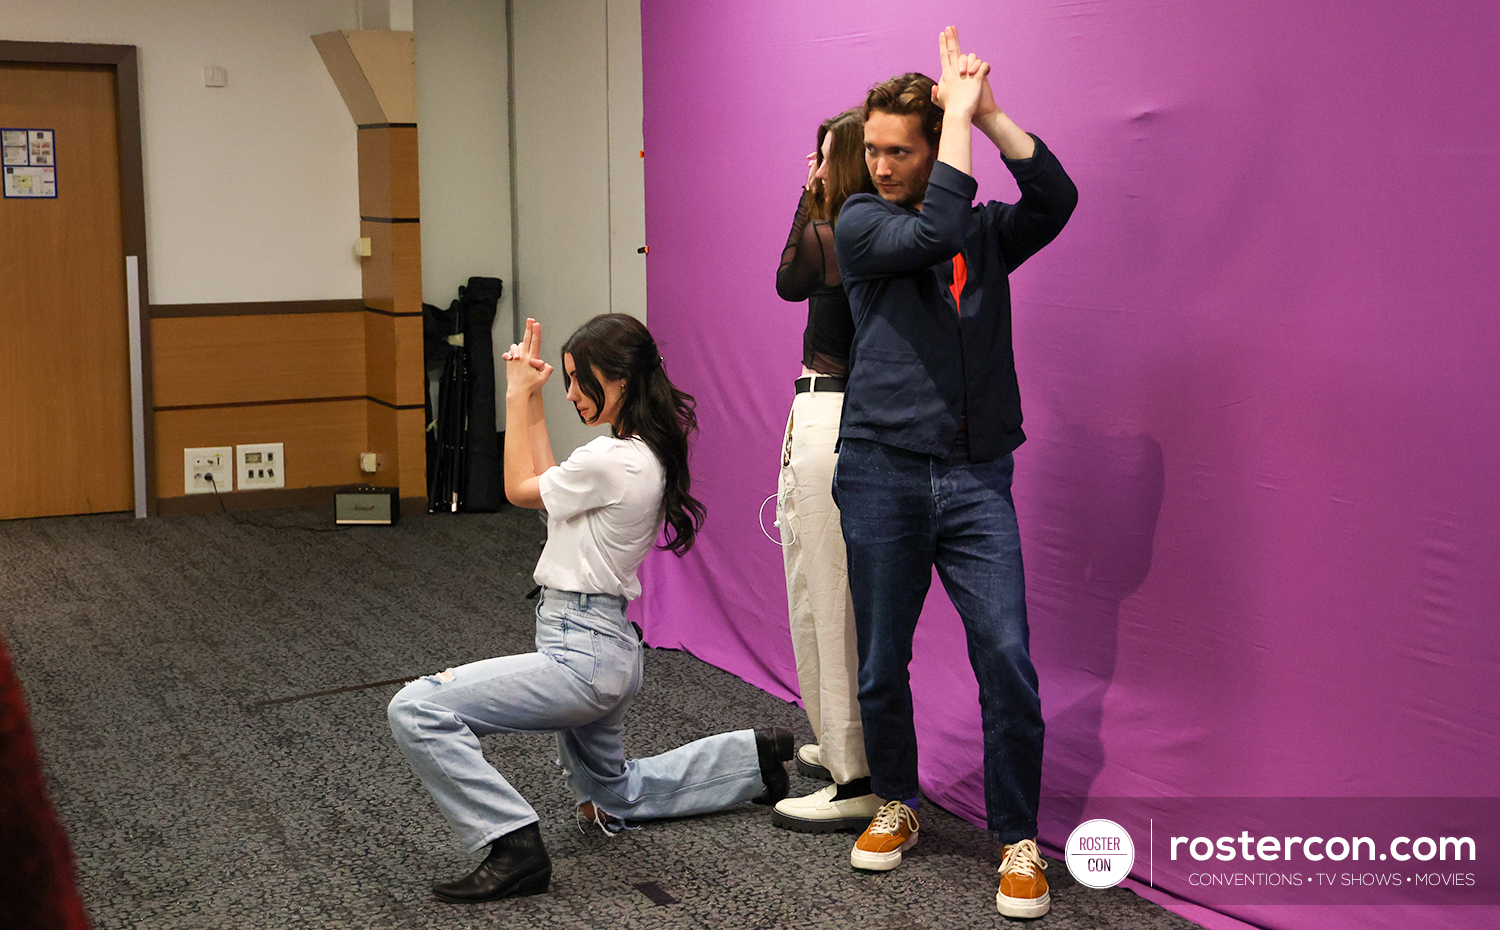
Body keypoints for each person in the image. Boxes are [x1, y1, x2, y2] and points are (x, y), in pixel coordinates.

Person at [388, 314, 794, 904]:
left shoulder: (613, 460)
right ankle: (753, 759)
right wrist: (527, 395)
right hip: (600, 648)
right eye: (567, 383)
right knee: (613, 795)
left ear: (622, 378)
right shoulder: (634, 454)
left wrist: (516, 394)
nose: (573, 394)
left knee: (417, 708)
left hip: (580, 655)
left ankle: (514, 846)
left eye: (580, 381)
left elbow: (517, 488)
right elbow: (546, 489)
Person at [831, 28, 1078, 919]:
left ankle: (1017, 840)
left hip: (978, 478)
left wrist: (992, 113)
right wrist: (956, 123)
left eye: (901, 150)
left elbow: (1055, 196)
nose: (882, 164)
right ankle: (896, 798)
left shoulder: (985, 231)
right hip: (882, 472)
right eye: (874, 148)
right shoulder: (859, 224)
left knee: (1007, 658)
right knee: (881, 661)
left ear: (936, 148)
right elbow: (934, 224)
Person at [769, 109, 883, 833]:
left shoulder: (842, 232)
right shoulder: (864, 232)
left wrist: (810, 196)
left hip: (833, 417)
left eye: (821, 156)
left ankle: (855, 780)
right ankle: (843, 745)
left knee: (826, 593)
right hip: (822, 411)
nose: (811, 165)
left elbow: (787, 278)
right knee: (815, 588)